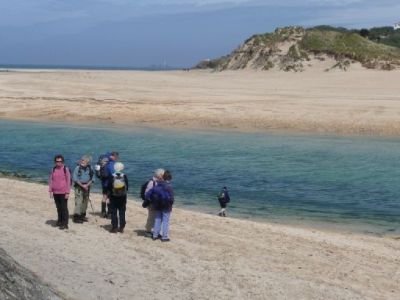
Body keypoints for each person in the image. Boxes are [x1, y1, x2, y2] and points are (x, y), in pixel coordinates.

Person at [146, 170, 174, 242]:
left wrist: (152, 200)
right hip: (166, 206)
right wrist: (171, 204)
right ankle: (164, 237)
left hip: (157, 205)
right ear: (169, 179)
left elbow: (147, 194)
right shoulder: (169, 186)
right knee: (165, 221)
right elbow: (171, 197)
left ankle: (155, 235)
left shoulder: (157, 185)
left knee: (157, 220)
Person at [48, 154, 71, 230]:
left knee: (64, 208)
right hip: (55, 192)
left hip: (63, 192)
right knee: (58, 208)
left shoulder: (65, 169)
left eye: (60, 161)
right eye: (57, 161)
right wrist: (50, 191)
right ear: (55, 162)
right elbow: (51, 180)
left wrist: (67, 192)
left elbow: (68, 181)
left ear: (62, 161)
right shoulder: (53, 169)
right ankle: (60, 221)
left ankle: (65, 223)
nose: (58, 163)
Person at [107, 162, 128, 233]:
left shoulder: (112, 176)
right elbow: (127, 187)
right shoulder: (124, 176)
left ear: (114, 168)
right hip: (122, 197)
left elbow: (109, 187)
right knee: (122, 212)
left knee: (113, 212)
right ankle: (121, 227)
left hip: (113, 197)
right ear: (122, 168)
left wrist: (108, 196)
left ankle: (114, 228)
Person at [72, 155, 94, 223]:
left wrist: (87, 185)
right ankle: (76, 217)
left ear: (88, 162)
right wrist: (83, 185)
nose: (82, 161)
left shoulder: (90, 168)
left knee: (85, 202)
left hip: (87, 186)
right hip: (79, 186)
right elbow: (75, 179)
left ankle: (82, 215)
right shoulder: (77, 168)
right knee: (78, 201)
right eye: (82, 160)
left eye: (84, 161)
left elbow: (93, 178)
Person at [143, 168, 165, 237]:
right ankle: (148, 231)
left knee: (158, 218)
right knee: (151, 217)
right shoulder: (152, 182)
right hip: (152, 203)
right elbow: (146, 193)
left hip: (159, 203)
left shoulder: (160, 182)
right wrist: (152, 199)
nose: (163, 176)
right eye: (162, 175)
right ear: (159, 175)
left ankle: (156, 231)